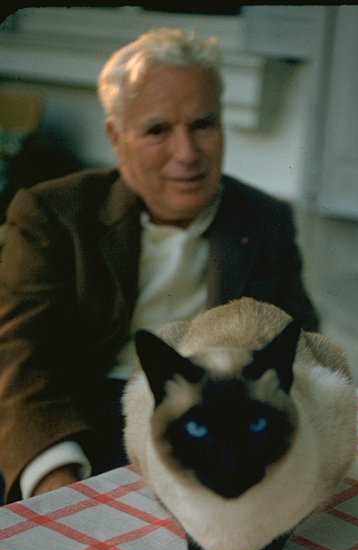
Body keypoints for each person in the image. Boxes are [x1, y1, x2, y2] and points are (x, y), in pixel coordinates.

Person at [0, 27, 319, 505]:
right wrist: (55, 478)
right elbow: (20, 358)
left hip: (217, 424)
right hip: (79, 423)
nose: (187, 154)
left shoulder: (264, 220)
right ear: (116, 137)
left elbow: (302, 350)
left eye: (203, 124)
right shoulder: (52, 214)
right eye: (157, 130)